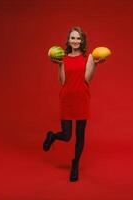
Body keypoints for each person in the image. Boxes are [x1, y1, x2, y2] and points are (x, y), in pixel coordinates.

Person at [43, 27, 105, 182]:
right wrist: (59, 65)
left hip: (82, 99)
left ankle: (75, 164)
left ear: (82, 41)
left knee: (80, 136)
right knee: (67, 135)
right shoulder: (62, 57)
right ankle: (52, 136)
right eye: (73, 38)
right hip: (67, 99)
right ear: (68, 40)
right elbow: (62, 81)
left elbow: (87, 79)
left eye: (78, 38)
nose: (75, 41)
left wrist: (95, 65)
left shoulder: (89, 57)